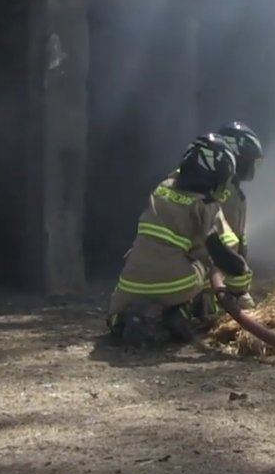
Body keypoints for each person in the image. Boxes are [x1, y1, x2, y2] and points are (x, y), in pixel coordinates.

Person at [106, 133, 253, 346]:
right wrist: (240, 287)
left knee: (114, 315)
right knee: (206, 260)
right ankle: (184, 312)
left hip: (131, 280)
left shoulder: (163, 187)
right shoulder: (205, 206)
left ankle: (125, 318)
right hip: (176, 284)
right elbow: (223, 257)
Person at [211, 121, 264, 309]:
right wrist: (238, 292)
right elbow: (223, 247)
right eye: (250, 160)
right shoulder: (226, 193)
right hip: (208, 284)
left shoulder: (228, 189)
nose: (252, 167)